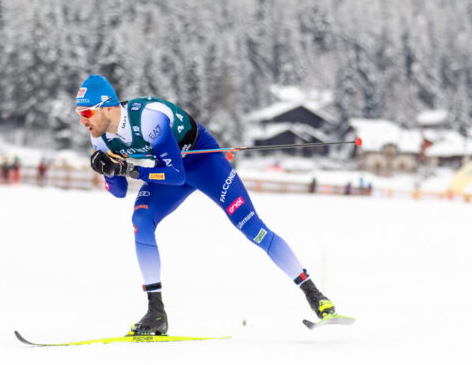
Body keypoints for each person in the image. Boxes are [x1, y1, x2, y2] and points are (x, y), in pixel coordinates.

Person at [76, 74, 337, 336]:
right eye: (79, 113)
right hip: (167, 170)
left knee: (251, 227)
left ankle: (315, 296)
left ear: (108, 106)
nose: (82, 120)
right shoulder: (100, 137)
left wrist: (130, 169)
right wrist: (108, 171)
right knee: (141, 221)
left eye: (87, 112)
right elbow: (120, 192)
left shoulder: (148, 118)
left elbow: (176, 174)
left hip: (204, 164)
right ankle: (156, 312)